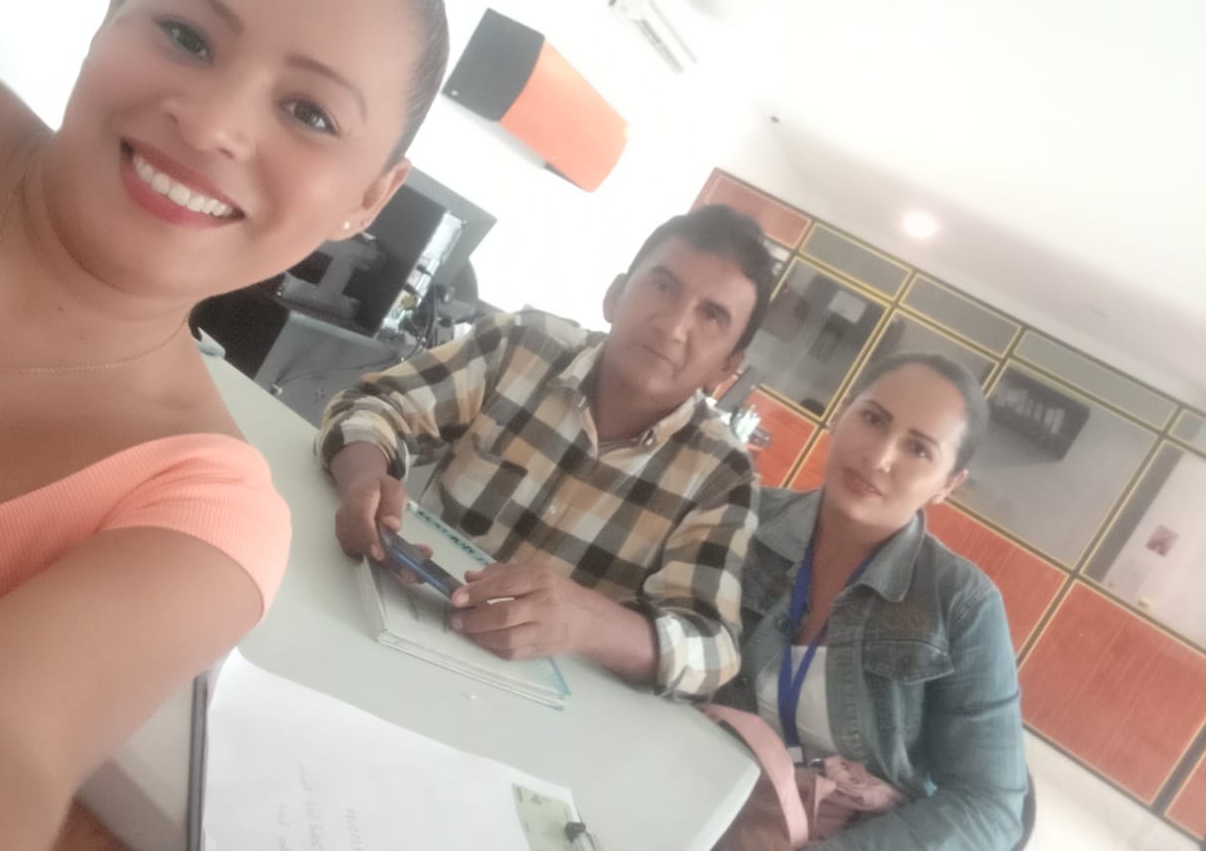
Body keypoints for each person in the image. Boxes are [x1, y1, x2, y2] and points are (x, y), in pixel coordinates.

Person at [0, 0, 447, 848]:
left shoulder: (198, 507)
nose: (210, 125)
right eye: (186, 35)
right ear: (114, 9)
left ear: (370, 198)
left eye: (309, 112)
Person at [319, 204, 776, 699]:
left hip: (535, 704)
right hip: (392, 621)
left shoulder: (722, 474)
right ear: (615, 295)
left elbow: (712, 647)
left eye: (712, 316)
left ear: (726, 367)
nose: (674, 326)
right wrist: (364, 481)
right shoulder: (521, 345)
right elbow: (375, 405)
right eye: (663, 286)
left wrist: (587, 620)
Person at [713, 352, 1029, 849]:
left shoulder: (962, 604)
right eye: (874, 419)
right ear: (842, 412)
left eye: (918, 449)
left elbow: (991, 808)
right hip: (703, 790)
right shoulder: (743, 518)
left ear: (948, 484)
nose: (879, 457)